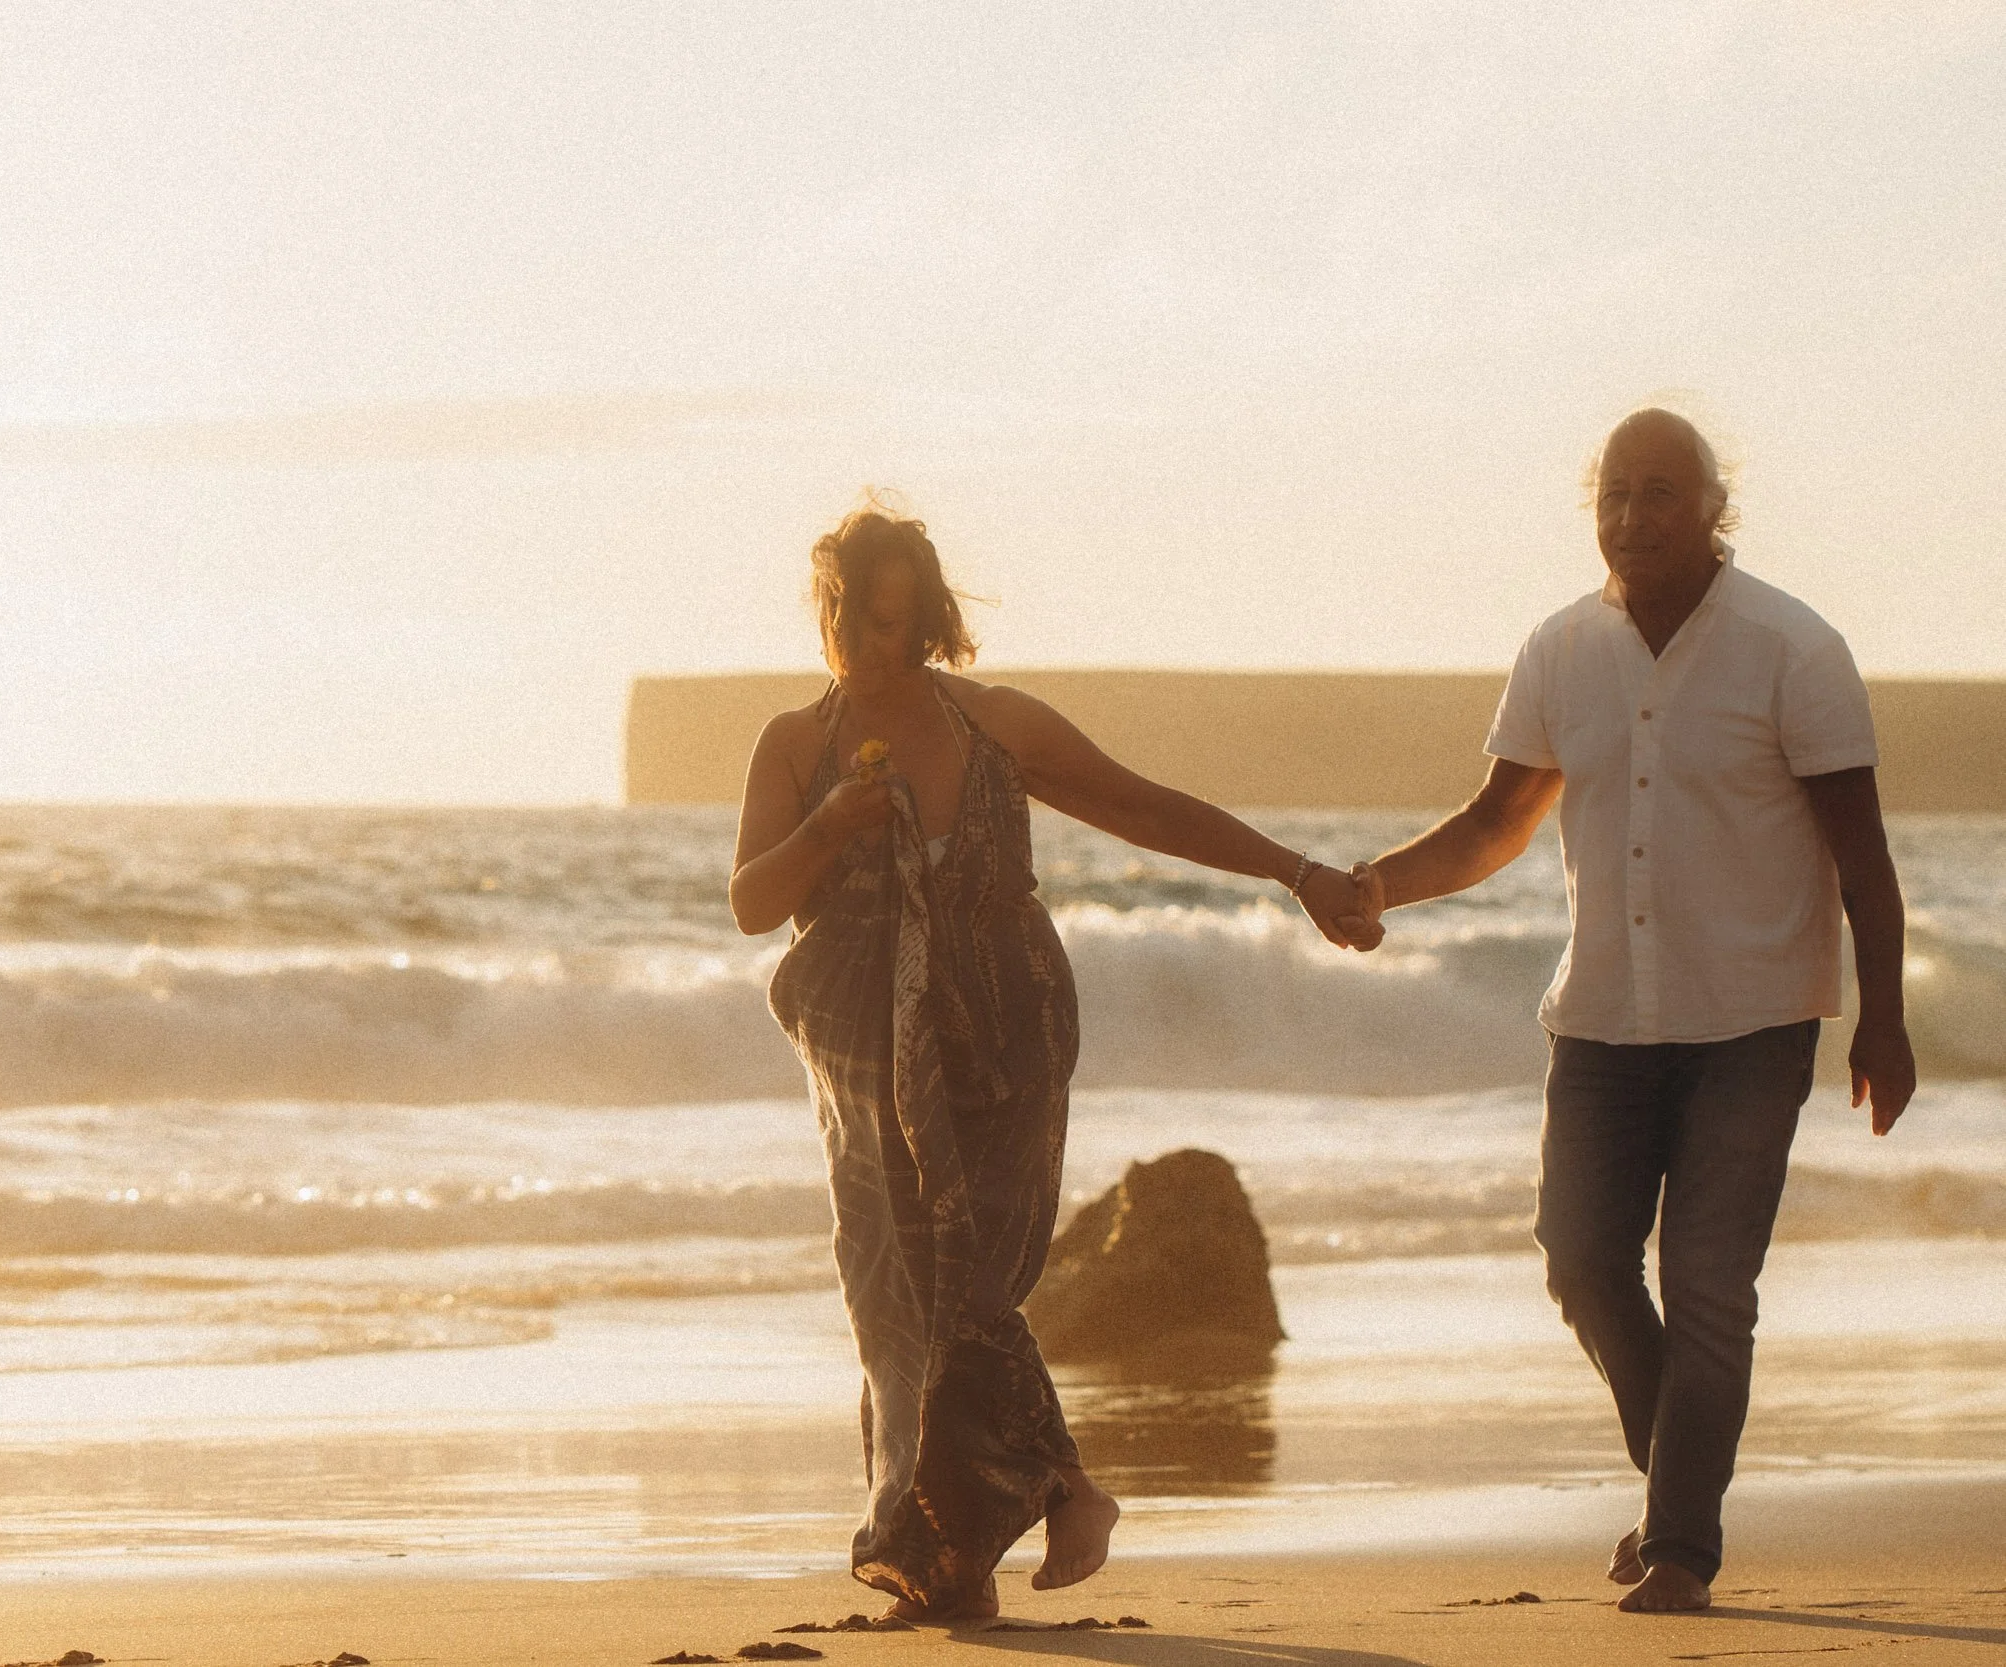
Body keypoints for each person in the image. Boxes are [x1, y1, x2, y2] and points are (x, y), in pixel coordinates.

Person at [730, 503, 1379, 1622]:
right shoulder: (795, 744)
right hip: (863, 1055)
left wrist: (1297, 871)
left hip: (1007, 1033)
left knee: (974, 1282)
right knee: (895, 1300)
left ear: (928, 617)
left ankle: (1039, 1496)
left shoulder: (992, 727)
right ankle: (957, 1549)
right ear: (829, 615)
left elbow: (1140, 805)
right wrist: (830, 825)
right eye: (862, 623)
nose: (884, 648)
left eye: (903, 623)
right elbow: (752, 903)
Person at [1347, 409, 1915, 1613]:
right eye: (1613, 492)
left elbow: (1861, 855)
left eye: (1661, 492)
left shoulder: (1790, 646)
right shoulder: (1560, 648)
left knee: (1710, 1280)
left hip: (1752, 1021)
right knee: (1582, 1257)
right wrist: (1377, 883)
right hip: (1601, 1021)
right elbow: (1496, 822)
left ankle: (1679, 1548)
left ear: (1712, 507)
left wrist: (1884, 1015)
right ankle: (1677, 1491)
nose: (1631, 514)